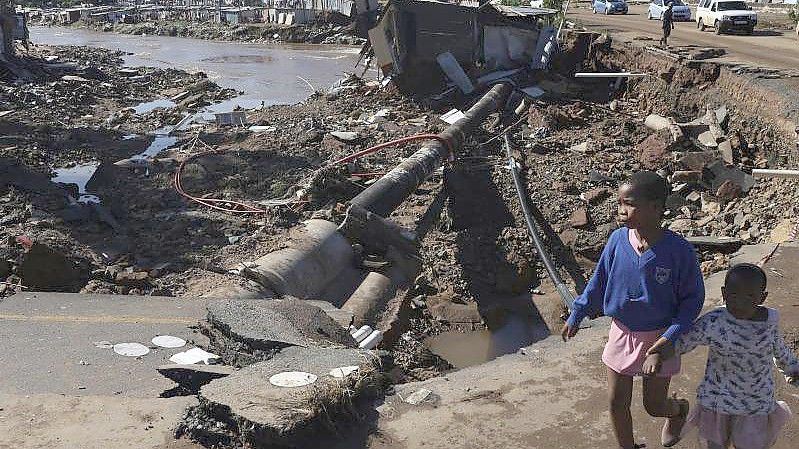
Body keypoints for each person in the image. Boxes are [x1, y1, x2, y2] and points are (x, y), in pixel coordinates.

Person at [561, 171, 705, 449]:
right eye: (619, 203)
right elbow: (600, 279)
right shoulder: (617, 240)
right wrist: (578, 311)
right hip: (623, 331)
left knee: (653, 405)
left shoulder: (679, 251)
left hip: (660, 339)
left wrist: (668, 340)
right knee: (616, 402)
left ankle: (678, 410)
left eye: (629, 204)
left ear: (655, 207)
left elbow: (692, 302)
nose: (621, 211)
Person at [648, 263, 799, 449]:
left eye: (750, 296)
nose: (741, 303)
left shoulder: (769, 323)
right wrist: (657, 354)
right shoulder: (715, 321)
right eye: (734, 295)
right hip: (717, 398)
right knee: (715, 444)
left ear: (762, 297)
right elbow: (686, 341)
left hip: (755, 402)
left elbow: (780, 350)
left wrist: (793, 369)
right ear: (724, 293)